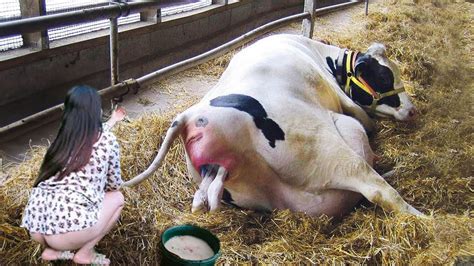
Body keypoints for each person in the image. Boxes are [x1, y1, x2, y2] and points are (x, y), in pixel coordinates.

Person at [21, 85, 126, 265]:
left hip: (35, 225)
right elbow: (114, 184)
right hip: (67, 232)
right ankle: (85, 252)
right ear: (97, 111)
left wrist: (113, 121)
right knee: (117, 198)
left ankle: (51, 251)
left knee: (62, 196)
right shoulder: (108, 142)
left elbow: (93, 134)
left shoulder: (63, 138)